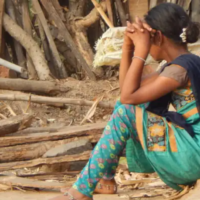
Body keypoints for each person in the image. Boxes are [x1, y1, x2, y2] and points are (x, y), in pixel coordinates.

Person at [51, 3, 200, 200]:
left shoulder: (178, 70)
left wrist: (140, 49)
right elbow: (128, 91)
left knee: (126, 111)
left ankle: (81, 190)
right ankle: (105, 180)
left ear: (158, 37)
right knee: (125, 107)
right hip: (189, 152)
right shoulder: (178, 65)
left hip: (191, 157)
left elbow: (128, 97)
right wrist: (128, 47)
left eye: (147, 37)